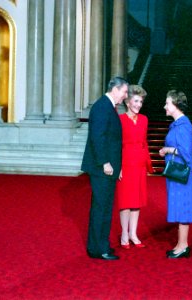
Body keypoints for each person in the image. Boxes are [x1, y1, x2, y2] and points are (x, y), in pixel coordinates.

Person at [81, 76, 129, 260]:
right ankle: (98, 248)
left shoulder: (107, 106)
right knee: (101, 207)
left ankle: (100, 245)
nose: (125, 96)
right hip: (102, 168)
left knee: (104, 207)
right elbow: (97, 137)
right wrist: (105, 163)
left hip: (107, 168)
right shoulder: (102, 106)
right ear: (115, 89)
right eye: (124, 92)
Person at [158, 90, 192, 259]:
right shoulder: (177, 124)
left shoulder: (184, 125)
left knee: (183, 207)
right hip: (176, 174)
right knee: (179, 206)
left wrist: (168, 149)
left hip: (182, 174)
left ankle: (183, 246)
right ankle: (180, 244)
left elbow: (187, 153)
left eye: (167, 103)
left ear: (175, 105)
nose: (164, 106)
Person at [115, 85, 154, 249]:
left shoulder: (144, 119)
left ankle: (133, 233)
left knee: (136, 200)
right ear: (128, 102)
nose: (139, 104)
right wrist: (118, 167)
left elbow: (144, 143)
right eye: (136, 101)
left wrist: (148, 165)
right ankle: (124, 233)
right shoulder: (120, 119)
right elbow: (116, 145)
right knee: (125, 201)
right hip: (125, 163)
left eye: (141, 102)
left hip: (139, 164)